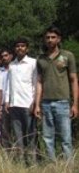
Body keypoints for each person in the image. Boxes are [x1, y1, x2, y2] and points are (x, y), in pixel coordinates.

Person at [34, 26, 78, 161]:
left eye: (53, 37)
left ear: (58, 39)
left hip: (63, 103)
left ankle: (68, 167)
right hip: (46, 103)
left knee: (65, 138)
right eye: (47, 37)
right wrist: (37, 105)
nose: (50, 40)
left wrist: (75, 104)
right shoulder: (40, 59)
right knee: (48, 138)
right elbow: (39, 82)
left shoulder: (67, 56)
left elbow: (73, 80)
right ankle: (52, 166)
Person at [5, 38, 37, 163]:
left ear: (27, 48)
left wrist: (35, 102)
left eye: (22, 46)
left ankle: (33, 161)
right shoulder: (12, 65)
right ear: (15, 49)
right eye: (17, 46)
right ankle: (22, 162)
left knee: (30, 135)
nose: (20, 48)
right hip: (14, 105)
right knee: (19, 137)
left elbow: (36, 84)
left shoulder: (33, 63)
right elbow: (9, 84)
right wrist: (7, 100)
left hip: (27, 104)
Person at [0, 49, 13, 148]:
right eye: (2, 56)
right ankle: (7, 155)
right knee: (5, 131)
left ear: (11, 56)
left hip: (16, 104)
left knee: (18, 130)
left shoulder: (15, 68)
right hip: (3, 105)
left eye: (6, 55)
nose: (4, 58)